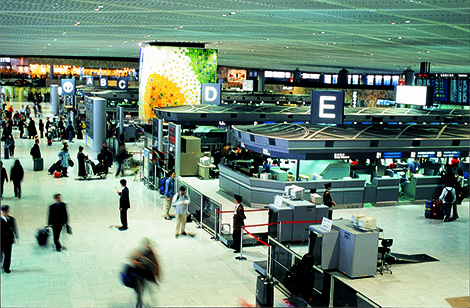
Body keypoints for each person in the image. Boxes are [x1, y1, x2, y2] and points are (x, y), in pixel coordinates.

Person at [127, 238, 161, 308]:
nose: (148, 247)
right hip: (138, 276)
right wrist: (137, 262)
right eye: (147, 245)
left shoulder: (151, 254)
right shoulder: (139, 252)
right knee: (139, 293)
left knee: (147, 289)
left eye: (149, 246)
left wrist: (157, 274)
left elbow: (155, 264)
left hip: (146, 276)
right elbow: (131, 259)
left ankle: (145, 300)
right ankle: (139, 304)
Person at [1, 205, 19, 274]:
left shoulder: (11, 219)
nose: (5, 213)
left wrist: (17, 237)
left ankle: (6, 268)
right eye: (3, 211)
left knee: (8, 255)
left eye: (6, 211)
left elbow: (15, 228)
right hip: (1, 240)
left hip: (9, 241)